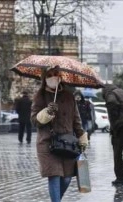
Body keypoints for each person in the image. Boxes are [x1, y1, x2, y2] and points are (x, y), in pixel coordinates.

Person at [30, 67, 88, 202]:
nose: (53, 77)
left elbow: (76, 119)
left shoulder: (69, 96)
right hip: (47, 143)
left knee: (67, 178)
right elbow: (34, 120)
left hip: (68, 143)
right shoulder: (40, 96)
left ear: (60, 76)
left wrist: (82, 138)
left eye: (56, 74)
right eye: (50, 75)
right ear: (45, 78)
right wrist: (48, 112)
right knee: (54, 176)